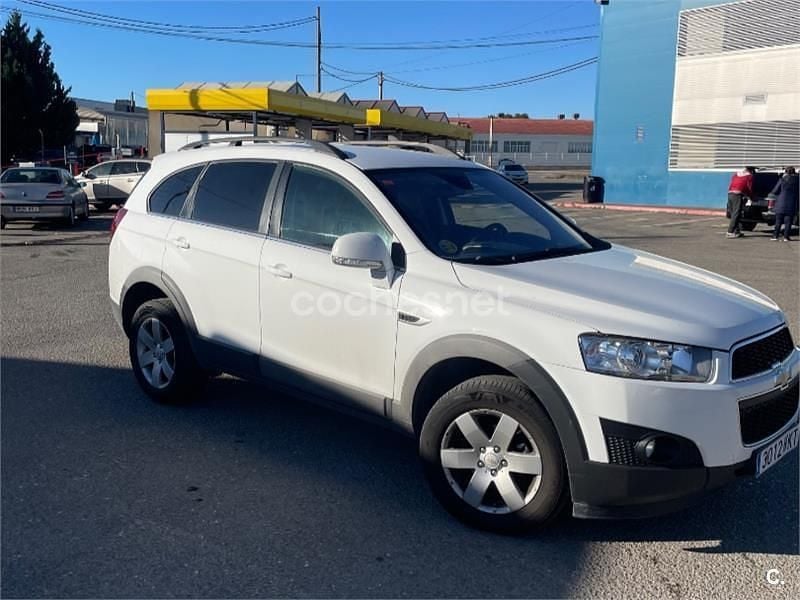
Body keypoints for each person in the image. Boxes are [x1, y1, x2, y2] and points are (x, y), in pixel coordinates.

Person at [769, 166, 799, 242]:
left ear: (785, 172)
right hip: (792, 203)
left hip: (781, 203)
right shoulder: (798, 180)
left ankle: (775, 236)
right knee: (788, 221)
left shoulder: (782, 180)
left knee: (778, 221)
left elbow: (775, 191)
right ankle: (786, 237)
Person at [726, 166, 756, 238]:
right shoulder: (749, 176)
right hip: (737, 194)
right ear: (751, 171)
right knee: (736, 214)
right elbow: (749, 188)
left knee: (733, 213)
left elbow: (731, 184)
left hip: (730, 193)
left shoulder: (736, 174)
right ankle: (730, 232)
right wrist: (751, 197)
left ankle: (736, 231)